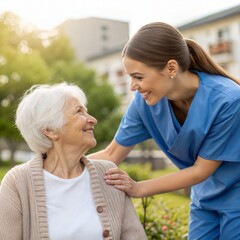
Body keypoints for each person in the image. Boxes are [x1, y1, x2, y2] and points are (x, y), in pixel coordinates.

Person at [88, 22, 240, 240]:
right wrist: (49, 167)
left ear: (171, 68)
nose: (132, 86)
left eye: (138, 77)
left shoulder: (229, 100)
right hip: (204, 198)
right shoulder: (143, 104)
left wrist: (137, 188)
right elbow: (112, 154)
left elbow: (200, 170)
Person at [0, 83, 147, 240]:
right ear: (50, 130)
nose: (93, 120)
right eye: (79, 112)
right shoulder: (18, 182)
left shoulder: (108, 175)